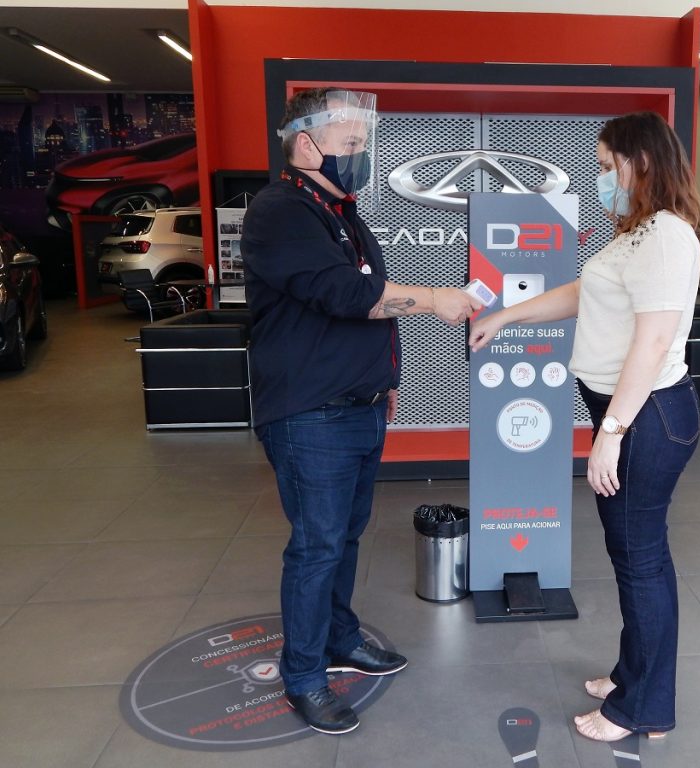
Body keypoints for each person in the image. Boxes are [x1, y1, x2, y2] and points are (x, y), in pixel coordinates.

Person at [241, 88, 480, 735]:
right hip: (310, 413)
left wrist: (385, 380)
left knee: (344, 535)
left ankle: (340, 638)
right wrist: (434, 297)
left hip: (358, 406)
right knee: (316, 546)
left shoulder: (340, 213)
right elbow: (345, 294)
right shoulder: (281, 211)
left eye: (363, 143)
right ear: (305, 144)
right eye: (351, 144)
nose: (361, 154)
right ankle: (304, 676)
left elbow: (370, 307)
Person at [469, 111, 700, 743]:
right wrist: (508, 315)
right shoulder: (637, 232)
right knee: (637, 554)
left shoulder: (665, 234)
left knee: (640, 560)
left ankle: (642, 709)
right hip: (631, 414)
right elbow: (584, 292)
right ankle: (635, 675)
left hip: (646, 417)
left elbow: (653, 343)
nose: (601, 178)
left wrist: (612, 433)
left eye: (606, 166)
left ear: (640, 162)